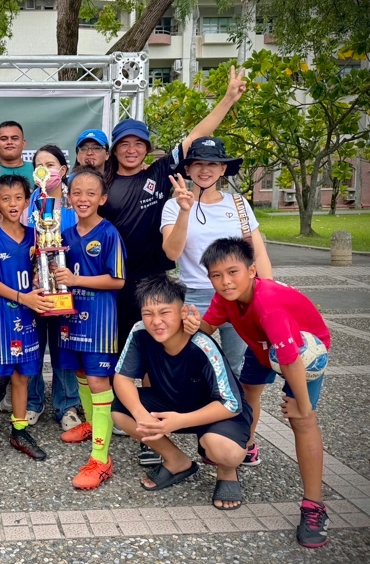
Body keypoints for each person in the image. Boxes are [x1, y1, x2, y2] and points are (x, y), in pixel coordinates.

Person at [99, 66, 247, 466]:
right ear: (113, 149)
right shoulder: (102, 184)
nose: (131, 149)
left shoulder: (159, 176)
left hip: (152, 281)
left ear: (148, 149)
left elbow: (196, 138)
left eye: (138, 143)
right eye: (124, 143)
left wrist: (229, 99)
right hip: (111, 282)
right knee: (122, 355)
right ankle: (138, 423)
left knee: (154, 349)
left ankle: (159, 431)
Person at [185, 237, 331, 548]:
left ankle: (314, 507)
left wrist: (302, 406)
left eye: (233, 272)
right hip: (263, 346)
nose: (225, 282)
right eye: (216, 275)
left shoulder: (269, 304)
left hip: (304, 350)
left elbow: (290, 360)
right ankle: (247, 446)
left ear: (252, 271)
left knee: (303, 421)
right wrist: (190, 325)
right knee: (249, 390)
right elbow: (206, 331)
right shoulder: (225, 297)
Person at [161, 137, 272, 466]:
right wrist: (184, 210)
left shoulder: (238, 204)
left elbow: (258, 251)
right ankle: (205, 434)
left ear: (223, 169)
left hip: (240, 297)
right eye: (198, 164)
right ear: (188, 169)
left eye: (212, 164)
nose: (205, 170)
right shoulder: (173, 204)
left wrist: (266, 295)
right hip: (194, 295)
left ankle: (244, 440)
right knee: (195, 368)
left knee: (240, 371)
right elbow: (172, 253)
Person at [111, 275, 251, 512]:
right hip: (173, 401)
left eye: (165, 312)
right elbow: (122, 378)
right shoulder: (139, 333)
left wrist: (181, 421)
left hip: (215, 411)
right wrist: (140, 413)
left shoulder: (202, 344)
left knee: (224, 450)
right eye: (148, 313)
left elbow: (230, 403)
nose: (156, 321)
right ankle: (177, 461)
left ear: (183, 311)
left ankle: (227, 473)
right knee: (121, 411)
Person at [0, 174, 51, 479]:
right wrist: (23, 297)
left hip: (27, 318)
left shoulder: (36, 235)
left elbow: (45, 271)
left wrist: (46, 283)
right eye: (6, 199)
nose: (13, 204)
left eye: (18, 198)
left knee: (22, 377)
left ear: (27, 201)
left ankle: (19, 430)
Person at [53, 168, 126, 490]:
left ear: (102, 199)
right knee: (81, 374)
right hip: (70, 317)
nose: (83, 199)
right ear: (68, 197)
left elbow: (118, 280)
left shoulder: (109, 233)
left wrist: (76, 280)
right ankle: (90, 423)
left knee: (98, 380)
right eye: (77, 193)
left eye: (90, 193)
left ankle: (101, 457)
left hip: (99, 320)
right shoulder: (64, 237)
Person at [20, 144, 80, 431]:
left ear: (63, 170)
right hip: (34, 288)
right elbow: (19, 244)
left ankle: (66, 404)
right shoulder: (27, 205)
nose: (44, 169)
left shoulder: (75, 203)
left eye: (50, 164)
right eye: (38, 165)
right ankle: (32, 402)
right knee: (33, 347)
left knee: (63, 346)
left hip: (68, 286)